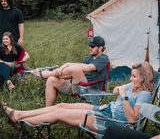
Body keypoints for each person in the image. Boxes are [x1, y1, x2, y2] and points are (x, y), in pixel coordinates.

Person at [2, 62, 155, 135]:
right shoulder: (133, 85)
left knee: (59, 114)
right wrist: (120, 90)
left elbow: (132, 118)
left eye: (134, 76)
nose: (131, 78)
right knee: (60, 105)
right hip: (105, 110)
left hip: (111, 123)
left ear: (144, 77)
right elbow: (115, 91)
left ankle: (18, 116)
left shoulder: (144, 94)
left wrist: (124, 96)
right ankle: (19, 113)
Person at [34, 36, 110, 106]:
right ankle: (48, 113)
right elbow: (77, 72)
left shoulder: (103, 59)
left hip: (90, 90)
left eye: (92, 46)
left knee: (75, 69)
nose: (90, 48)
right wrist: (66, 65)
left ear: (100, 48)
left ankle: (47, 74)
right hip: (77, 86)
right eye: (89, 46)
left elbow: (88, 68)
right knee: (51, 80)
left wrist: (68, 65)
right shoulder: (88, 58)